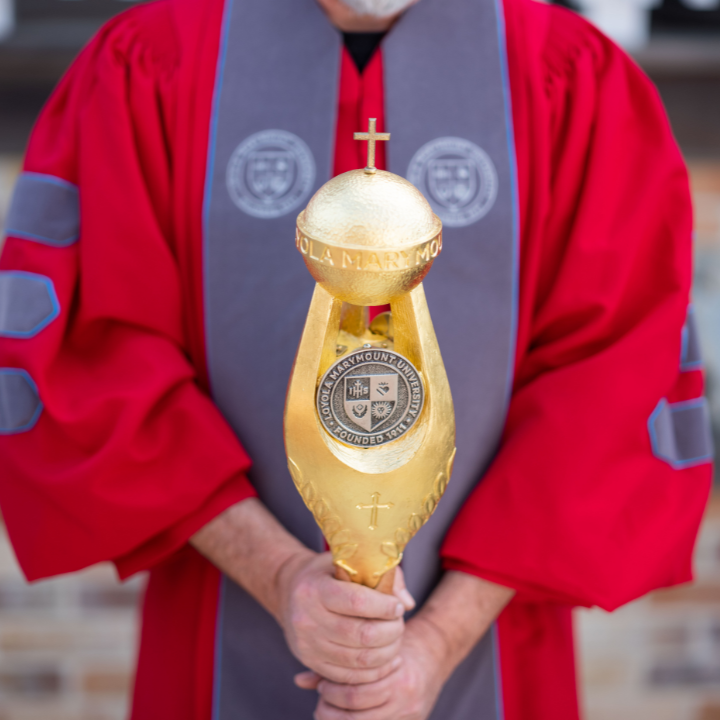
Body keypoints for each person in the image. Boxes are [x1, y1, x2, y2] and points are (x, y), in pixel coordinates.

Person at [0, 0, 712, 717]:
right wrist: (279, 575)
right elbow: (104, 354)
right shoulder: (153, 60)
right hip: (218, 619)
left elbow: (608, 381)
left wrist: (433, 642)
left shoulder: (571, 75)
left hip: (491, 643)